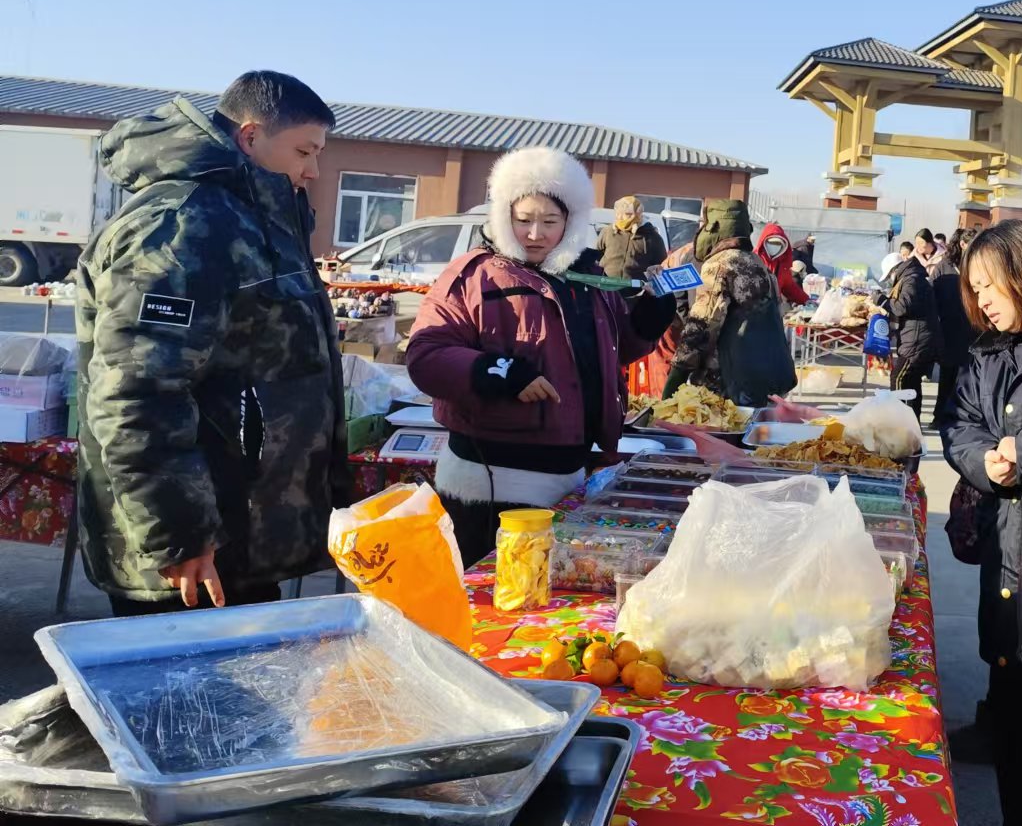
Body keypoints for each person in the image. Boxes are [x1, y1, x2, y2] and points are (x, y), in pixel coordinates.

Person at [76, 71, 350, 616]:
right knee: (182, 698)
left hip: (239, 530)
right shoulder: (185, 224)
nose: (312, 170)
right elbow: (139, 391)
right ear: (250, 136)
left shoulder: (251, 217)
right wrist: (180, 534)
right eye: (303, 150)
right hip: (195, 548)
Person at [409, 148, 674, 565]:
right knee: (493, 602)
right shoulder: (474, 275)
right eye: (524, 219)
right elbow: (426, 355)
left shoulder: (586, 277)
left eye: (549, 222)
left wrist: (655, 309)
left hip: (571, 474)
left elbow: (620, 345)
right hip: (492, 482)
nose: (535, 233)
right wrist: (497, 371)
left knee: (544, 604)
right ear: (504, 216)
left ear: (570, 222)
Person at [940, 221, 1022, 823]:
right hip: (1005, 541)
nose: (984, 299)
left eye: (991, 284)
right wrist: (982, 462)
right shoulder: (985, 352)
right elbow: (958, 423)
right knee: (1011, 695)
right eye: (975, 287)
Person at [664, 200, 798, 404]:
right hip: (763, 378)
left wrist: (676, 378)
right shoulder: (759, 264)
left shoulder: (718, 265)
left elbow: (701, 327)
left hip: (725, 383)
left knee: (719, 433)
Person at [878, 248, 941, 419]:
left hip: (917, 340)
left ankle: (901, 422)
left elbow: (901, 307)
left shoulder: (911, 280)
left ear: (894, 270)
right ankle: (912, 424)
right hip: (917, 338)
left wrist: (883, 301)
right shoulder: (912, 277)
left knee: (899, 378)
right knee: (912, 384)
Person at [931, 228, 976, 432]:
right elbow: (932, 296)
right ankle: (940, 415)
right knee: (947, 375)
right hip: (949, 328)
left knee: (967, 377)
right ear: (963, 244)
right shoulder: (944, 267)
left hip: (973, 328)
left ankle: (962, 417)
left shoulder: (976, 265)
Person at [595, 195, 668, 283]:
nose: (621, 217)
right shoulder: (608, 232)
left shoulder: (652, 237)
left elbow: (661, 266)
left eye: (627, 214)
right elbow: (596, 256)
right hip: (606, 288)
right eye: (619, 213)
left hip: (636, 291)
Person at [756, 222, 810, 305]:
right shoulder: (753, 260)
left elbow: (789, 287)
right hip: (753, 309)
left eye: (778, 244)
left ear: (783, 245)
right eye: (771, 243)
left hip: (772, 309)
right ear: (764, 242)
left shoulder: (782, 265)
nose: (774, 246)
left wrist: (806, 300)